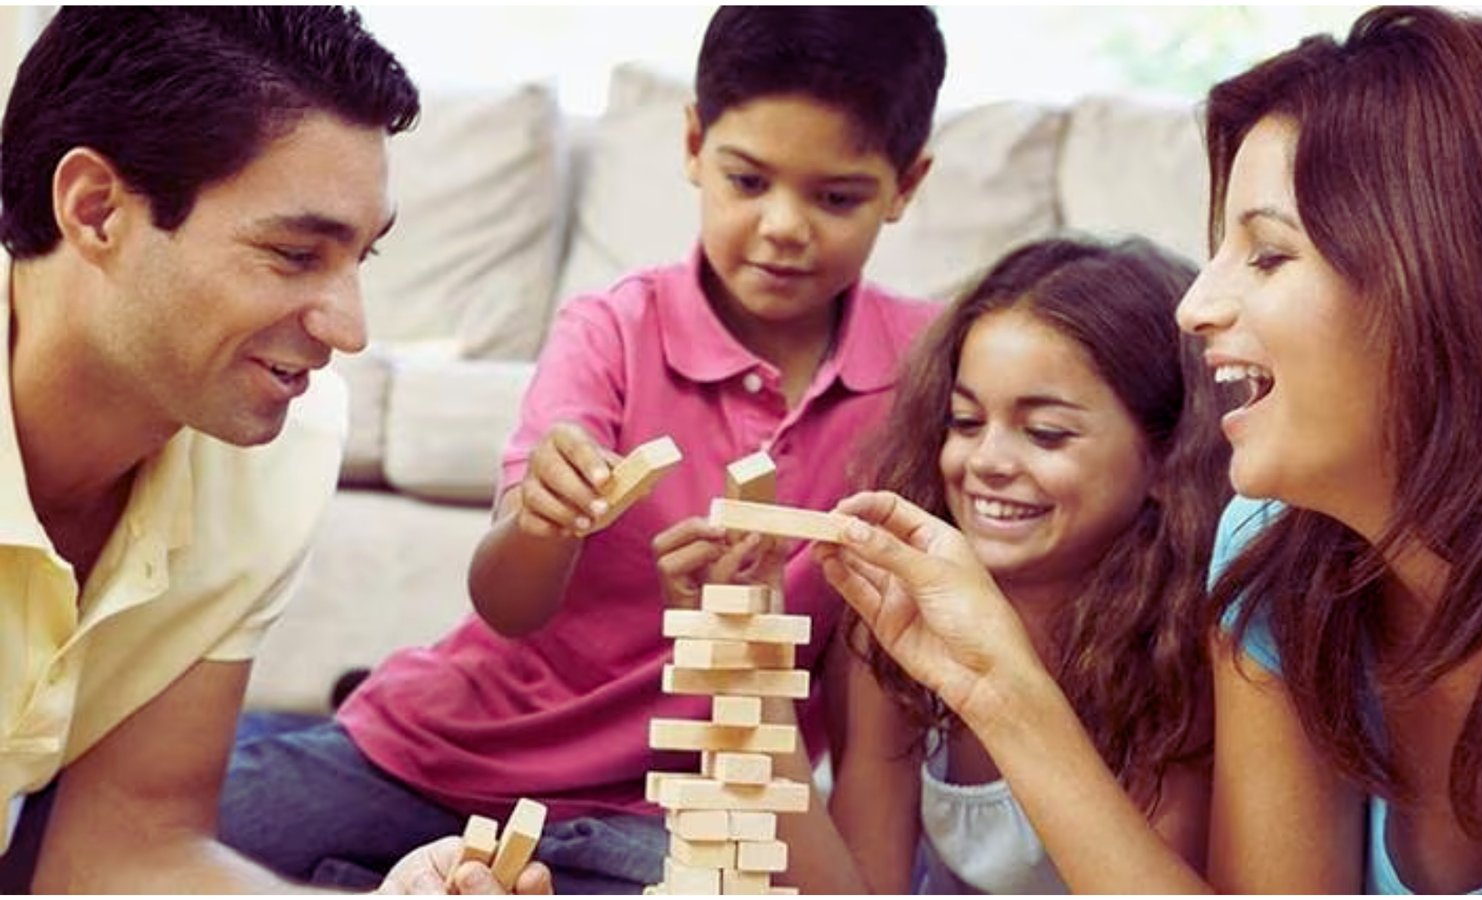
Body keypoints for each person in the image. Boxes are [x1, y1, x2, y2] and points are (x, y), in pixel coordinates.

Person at [816, 5, 1482, 894]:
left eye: (1267, 255)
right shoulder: (1274, 559)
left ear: (1452, 284)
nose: (1195, 307)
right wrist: (997, 683)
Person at [219, 6, 946, 893]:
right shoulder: (612, 330)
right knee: (157, 840)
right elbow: (508, 604)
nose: (784, 226)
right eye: (748, 180)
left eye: (836, 197)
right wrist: (546, 524)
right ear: (691, 145)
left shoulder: (923, 374)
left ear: (906, 184)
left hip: (668, 812)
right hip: (439, 751)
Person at [0, 6, 546, 895]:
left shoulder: (275, 447)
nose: (350, 329)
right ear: (96, 210)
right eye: (294, 253)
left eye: (361, 258)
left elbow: (125, 852)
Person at [774, 236, 1228, 893]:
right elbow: (862, 885)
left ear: (1167, 458)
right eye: (964, 421)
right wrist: (757, 685)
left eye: (1046, 433)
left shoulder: (1182, 654)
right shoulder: (895, 622)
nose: (985, 461)